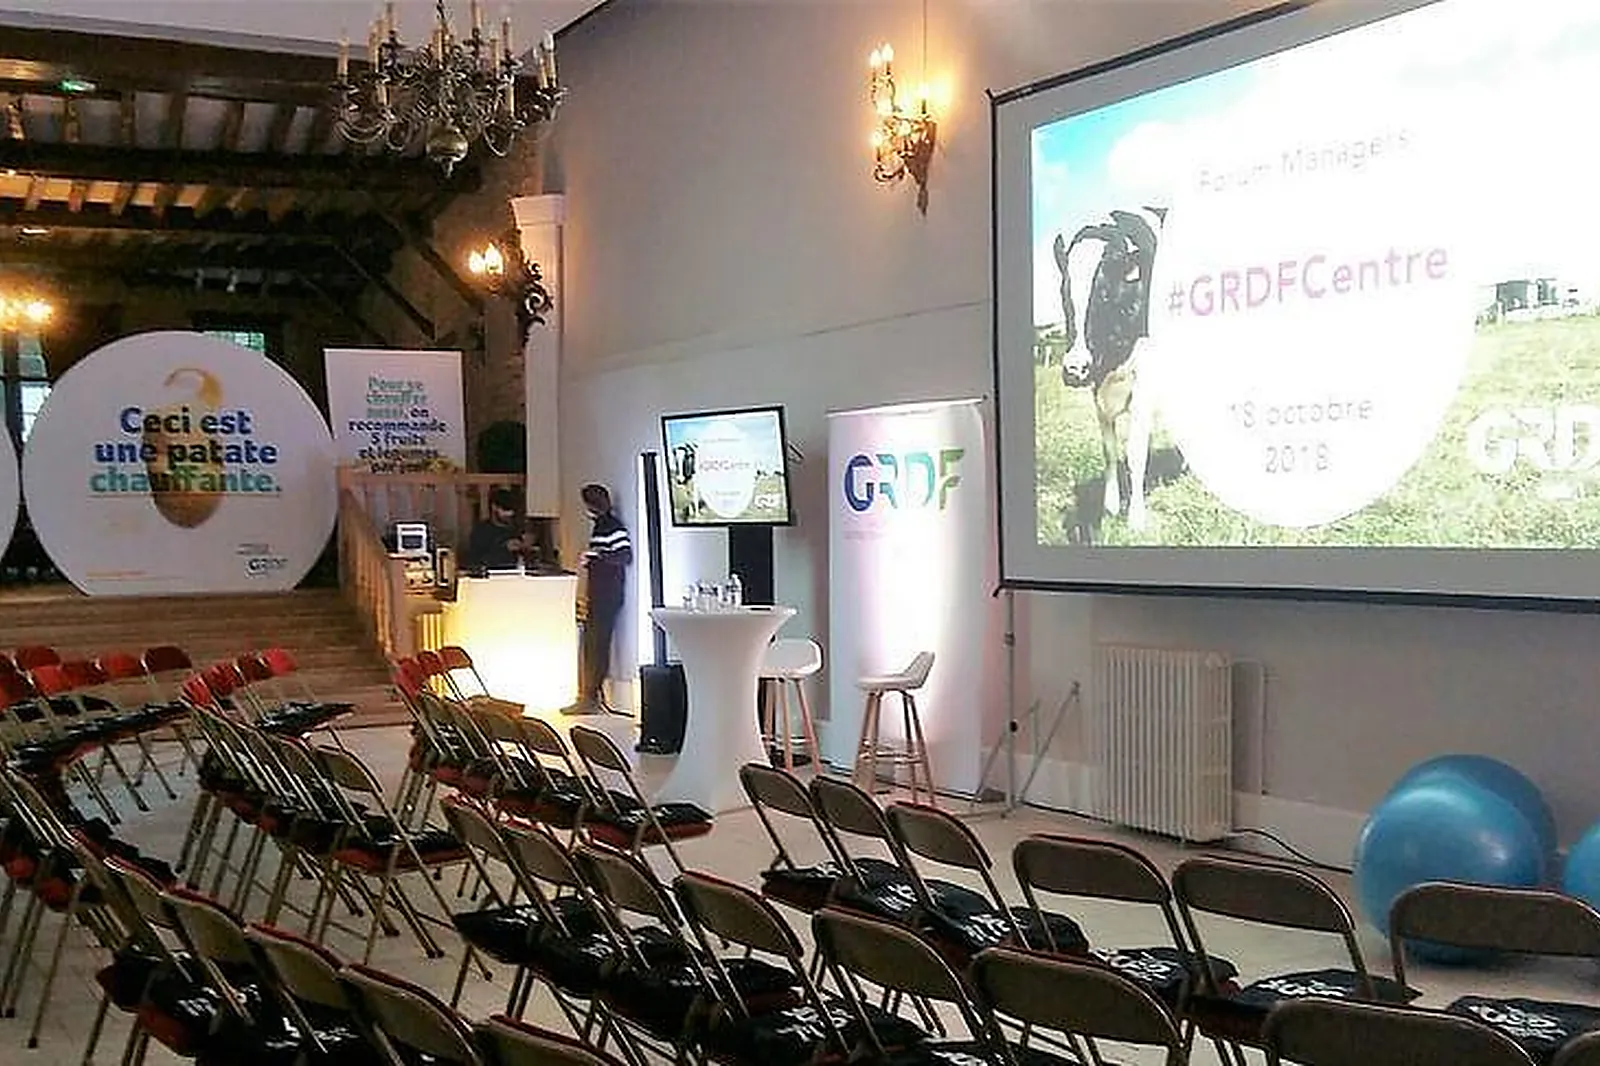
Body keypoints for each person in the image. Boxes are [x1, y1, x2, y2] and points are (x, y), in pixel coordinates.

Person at [565, 483, 631, 715]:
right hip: (600, 593)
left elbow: (624, 556)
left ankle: (590, 696)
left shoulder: (612, 527)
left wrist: (596, 555)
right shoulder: (601, 527)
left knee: (597, 645)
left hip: (608, 594)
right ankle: (589, 694)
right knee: (593, 644)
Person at [464, 488, 525, 571]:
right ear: (494, 507)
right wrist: (505, 549)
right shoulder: (481, 531)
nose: (509, 514)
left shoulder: (515, 529)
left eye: (512, 511)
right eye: (505, 510)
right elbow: (476, 562)